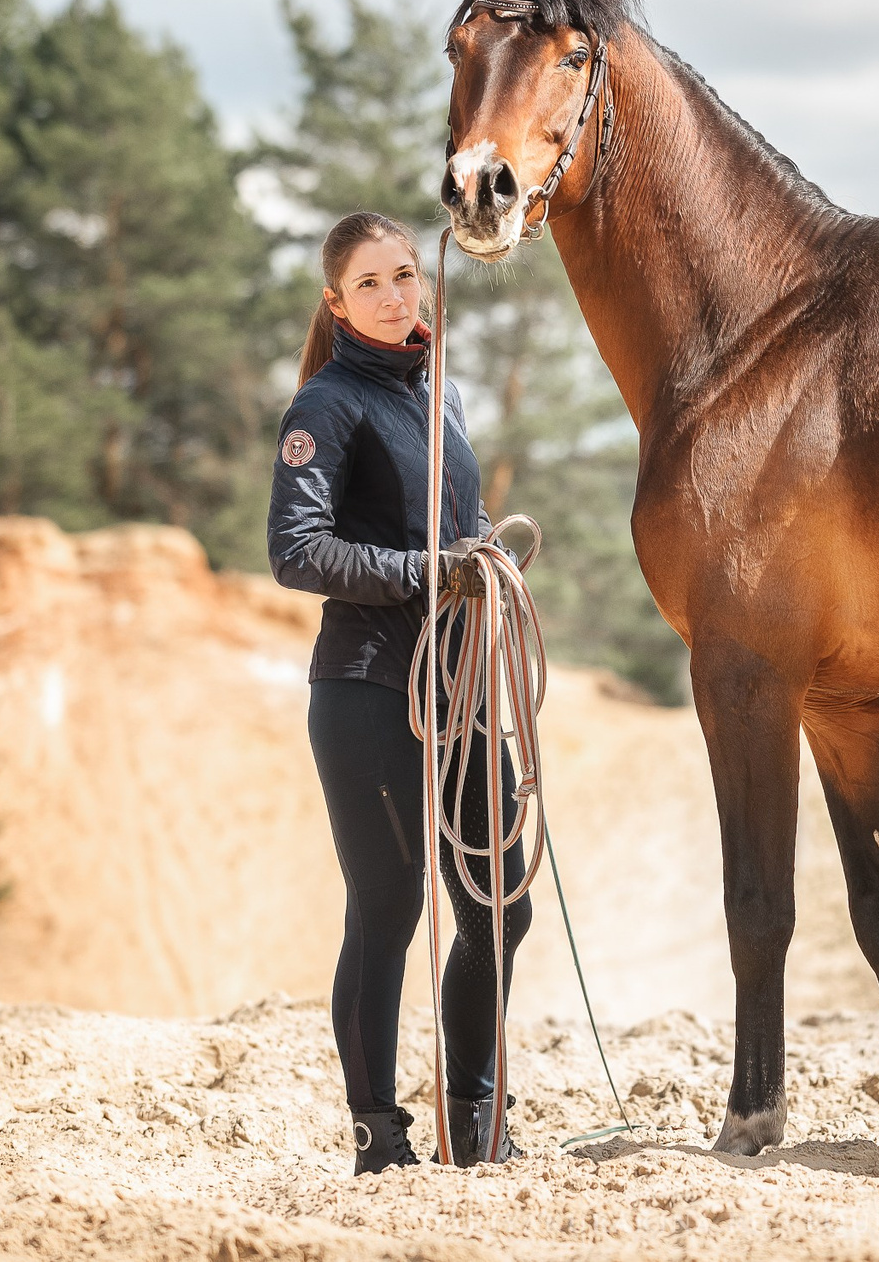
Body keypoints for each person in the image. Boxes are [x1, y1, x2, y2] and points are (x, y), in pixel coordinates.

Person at [268, 211, 533, 1173]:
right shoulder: (324, 406)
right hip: (370, 685)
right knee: (389, 906)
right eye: (371, 283)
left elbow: (444, 522)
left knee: (501, 903)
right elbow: (297, 552)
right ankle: (380, 1135)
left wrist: (483, 557)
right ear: (337, 301)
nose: (394, 295)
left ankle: (477, 1117)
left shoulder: (444, 392)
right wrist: (431, 570)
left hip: (460, 682)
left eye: (406, 275)